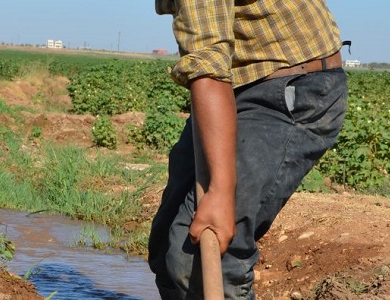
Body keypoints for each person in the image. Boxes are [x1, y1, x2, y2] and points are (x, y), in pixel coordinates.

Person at [148, 0, 348, 298]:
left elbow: (207, 66)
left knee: (207, 253)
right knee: (167, 244)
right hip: (239, 85)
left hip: (290, 87)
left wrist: (221, 191)